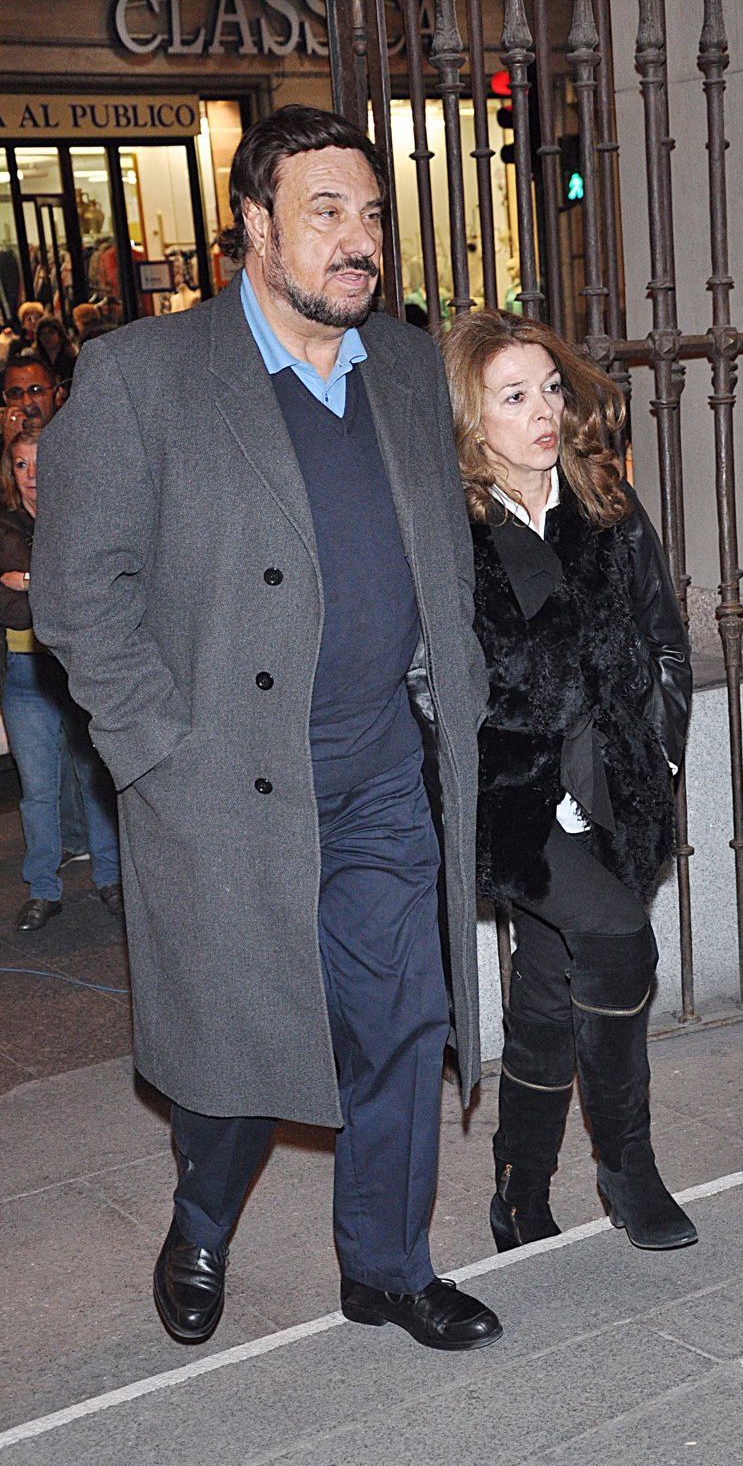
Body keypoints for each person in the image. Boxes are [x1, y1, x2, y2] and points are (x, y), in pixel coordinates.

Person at [31, 105, 501, 1353]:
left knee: (401, 1020)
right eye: (325, 213)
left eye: (371, 215)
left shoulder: (403, 364)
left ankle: (386, 1267)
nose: (359, 242)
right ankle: (199, 1219)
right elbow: (77, 596)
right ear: (254, 225)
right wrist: (157, 751)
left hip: (381, 772)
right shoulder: (142, 376)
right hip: (225, 784)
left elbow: (440, 555)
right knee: (242, 1039)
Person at [442, 308, 697, 1253]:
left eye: (549, 388)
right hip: (514, 803)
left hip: (613, 784)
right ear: (472, 419)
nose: (544, 411)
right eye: (513, 397)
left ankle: (519, 1187)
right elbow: (431, 682)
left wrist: (658, 755)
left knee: (550, 985)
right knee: (622, 939)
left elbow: (665, 639)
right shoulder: (452, 532)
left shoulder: (605, 503)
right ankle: (629, 1168)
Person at [0, 428, 122, 929]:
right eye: (21, 465)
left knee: (95, 782)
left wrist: (27, 579)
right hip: (24, 675)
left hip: (77, 669)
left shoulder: (80, 520)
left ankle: (110, 880)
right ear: (11, 474)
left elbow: (87, 587)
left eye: (40, 462)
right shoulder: (5, 526)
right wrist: (43, 587)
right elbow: (12, 610)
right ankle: (43, 890)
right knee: (37, 792)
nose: (32, 475)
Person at [35, 315, 77, 384]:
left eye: (51, 333)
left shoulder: (71, 357)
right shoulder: (36, 359)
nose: (47, 337)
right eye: (43, 334)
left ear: (60, 335)